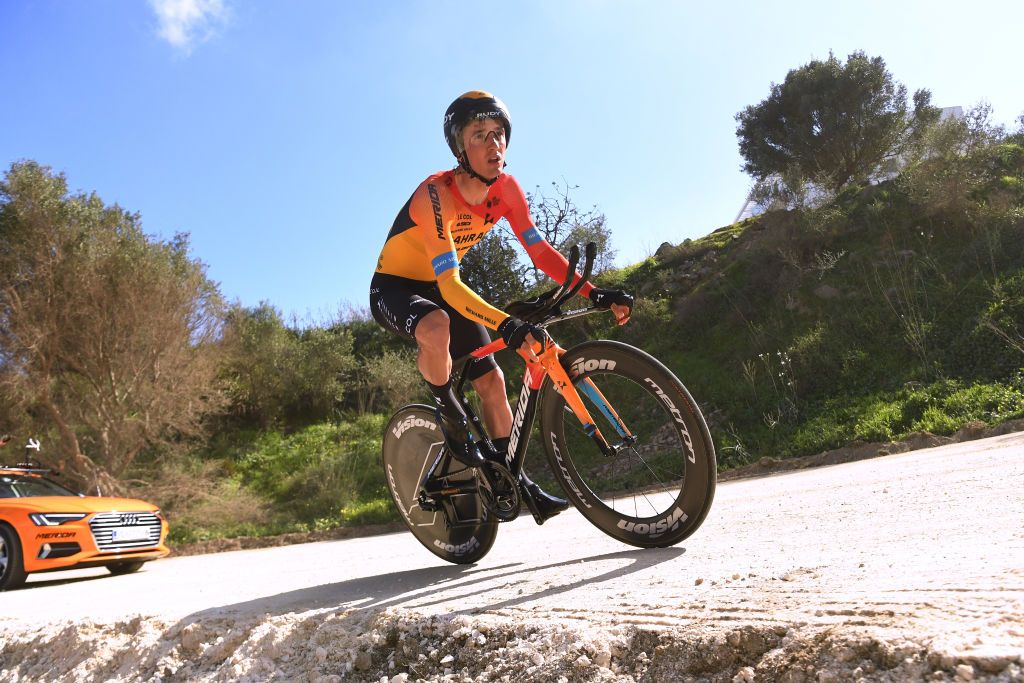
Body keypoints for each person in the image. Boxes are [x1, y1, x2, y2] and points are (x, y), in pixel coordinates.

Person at [369, 91, 633, 524]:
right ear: (460, 148)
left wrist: (596, 292)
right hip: (396, 289)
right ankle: (451, 418)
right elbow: (451, 284)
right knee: (435, 327)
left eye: (499, 135)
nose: (494, 145)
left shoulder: (507, 190)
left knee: (492, 382)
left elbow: (542, 254)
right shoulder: (436, 194)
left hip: (444, 289)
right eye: (480, 136)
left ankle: (515, 481)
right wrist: (506, 324)